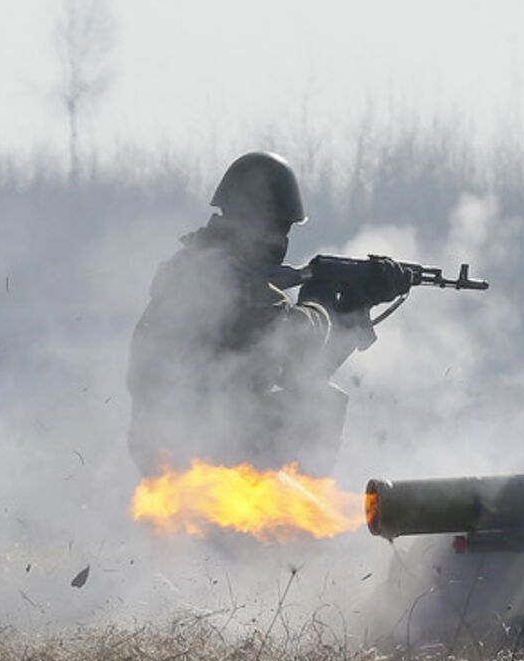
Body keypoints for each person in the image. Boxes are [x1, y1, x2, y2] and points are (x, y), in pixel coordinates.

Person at [126, 151, 409, 476]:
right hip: (202, 458)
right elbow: (296, 343)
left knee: (310, 396)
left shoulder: (193, 265)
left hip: (169, 454)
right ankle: (281, 516)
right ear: (258, 223)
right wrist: (321, 301)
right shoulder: (225, 277)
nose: (282, 240)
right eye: (280, 228)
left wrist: (353, 309)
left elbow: (299, 372)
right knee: (319, 405)